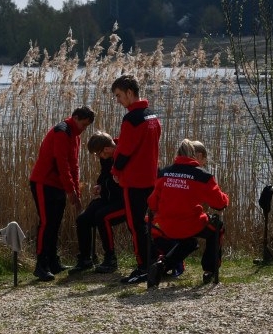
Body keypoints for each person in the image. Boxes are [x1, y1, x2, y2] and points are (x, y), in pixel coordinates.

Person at [146, 139, 230, 290]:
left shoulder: (164, 172)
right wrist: (225, 198)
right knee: (218, 227)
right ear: (196, 155)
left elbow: (152, 203)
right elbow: (220, 204)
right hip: (189, 224)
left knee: (189, 242)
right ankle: (210, 270)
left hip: (166, 225)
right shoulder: (201, 176)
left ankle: (162, 264)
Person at [29, 106, 95, 281]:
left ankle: (53, 262)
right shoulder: (62, 131)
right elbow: (61, 164)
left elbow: (74, 165)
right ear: (75, 118)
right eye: (83, 124)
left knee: (55, 224)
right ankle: (41, 266)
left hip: (58, 185)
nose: (84, 128)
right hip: (43, 183)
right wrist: (70, 190)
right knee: (46, 223)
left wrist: (76, 192)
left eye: (87, 126)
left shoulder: (75, 135)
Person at [110, 74, 162, 284]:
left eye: (119, 95)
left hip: (134, 180)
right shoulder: (152, 116)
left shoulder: (131, 119)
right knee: (146, 223)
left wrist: (115, 171)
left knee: (135, 225)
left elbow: (125, 151)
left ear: (129, 93)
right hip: (151, 178)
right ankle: (154, 259)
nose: (118, 100)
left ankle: (143, 267)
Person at [69, 131, 126, 274]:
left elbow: (120, 183)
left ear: (106, 149)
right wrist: (99, 184)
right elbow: (105, 175)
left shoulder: (123, 155)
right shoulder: (105, 157)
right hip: (108, 198)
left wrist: (105, 186)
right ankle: (86, 259)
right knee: (82, 219)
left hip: (124, 201)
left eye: (98, 154)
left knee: (102, 216)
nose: (98, 156)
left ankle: (110, 259)